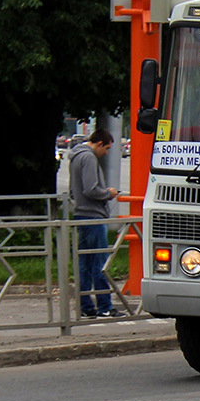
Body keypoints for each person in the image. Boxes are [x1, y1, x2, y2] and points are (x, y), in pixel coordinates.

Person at [69, 129, 122, 318]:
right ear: (99, 143)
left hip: (81, 216)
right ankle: (105, 306)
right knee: (100, 263)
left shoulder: (75, 157)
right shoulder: (89, 158)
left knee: (84, 263)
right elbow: (91, 189)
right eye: (106, 148)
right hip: (93, 216)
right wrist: (109, 193)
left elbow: (74, 191)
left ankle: (85, 306)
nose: (106, 153)